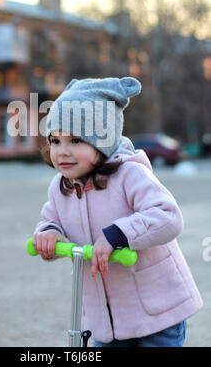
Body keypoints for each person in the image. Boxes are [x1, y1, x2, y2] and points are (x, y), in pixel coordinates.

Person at [32, 77, 203, 347]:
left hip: (156, 315)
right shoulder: (60, 187)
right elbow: (51, 220)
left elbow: (168, 216)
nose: (62, 152)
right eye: (55, 140)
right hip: (106, 322)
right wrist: (48, 234)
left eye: (76, 140)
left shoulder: (129, 174)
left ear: (103, 141)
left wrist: (117, 235)